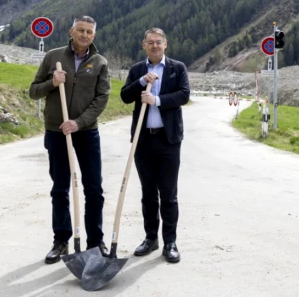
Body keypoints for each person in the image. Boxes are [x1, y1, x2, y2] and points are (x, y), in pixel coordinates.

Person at [29, 16, 111, 264]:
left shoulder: (99, 63)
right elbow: (33, 91)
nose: (84, 35)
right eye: (80, 30)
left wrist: (79, 122)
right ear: (71, 31)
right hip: (56, 130)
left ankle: (95, 242)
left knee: (94, 189)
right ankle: (61, 240)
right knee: (60, 188)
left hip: (86, 132)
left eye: (89, 32)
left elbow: (101, 100)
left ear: (93, 36)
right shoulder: (53, 57)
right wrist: (52, 83)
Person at [121, 28, 190, 263]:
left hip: (168, 140)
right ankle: (151, 239)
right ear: (144, 45)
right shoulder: (137, 70)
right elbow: (125, 96)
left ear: (165, 44)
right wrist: (141, 82)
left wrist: (157, 100)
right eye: (150, 43)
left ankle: (170, 242)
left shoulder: (176, 68)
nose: (154, 46)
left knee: (168, 194)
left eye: (158, 42)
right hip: (143, 140)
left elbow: (184, 95)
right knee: (148, 193)